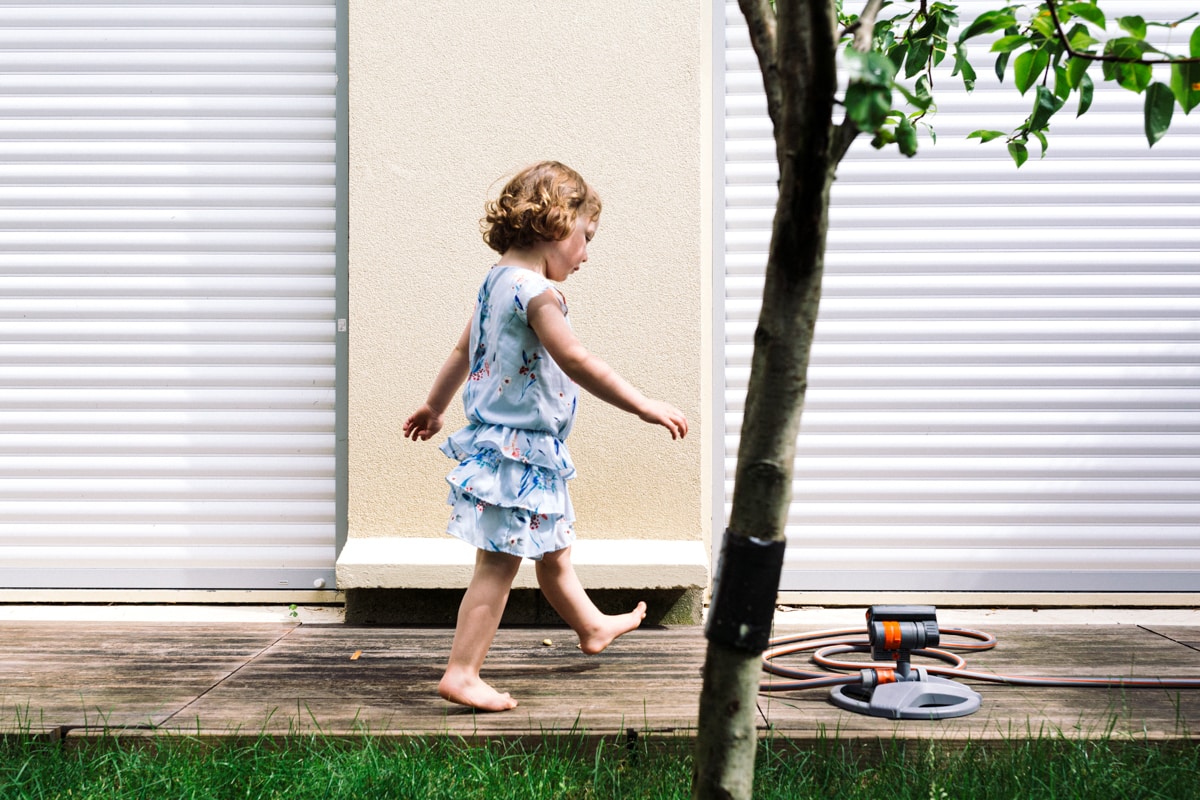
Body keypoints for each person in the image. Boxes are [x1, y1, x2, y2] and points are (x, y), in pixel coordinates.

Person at [402, 161, 689, 711]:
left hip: (517, 447)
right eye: (587, 237)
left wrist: (434, 406)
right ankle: (462, 673)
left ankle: (592, 626)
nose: (586, 254)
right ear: (556, 223)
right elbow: (576, 359)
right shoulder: (536, 294)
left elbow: (464, 350)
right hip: (519, 450)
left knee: (554, 553)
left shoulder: (494, 282)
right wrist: (643, 405)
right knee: (497, 564)